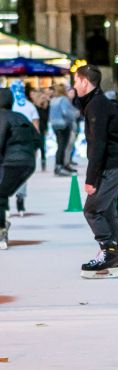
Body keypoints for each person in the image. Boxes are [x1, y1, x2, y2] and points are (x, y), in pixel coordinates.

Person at [74, 65, 118, 279]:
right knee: (107, 210)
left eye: (75, 81)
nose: (73, 86)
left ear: (84, 82)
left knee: (92, 209)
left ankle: (108, 251)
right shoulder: (96, 103)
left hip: (112, 165)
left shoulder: (96, 105)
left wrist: (91, 179)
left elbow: (98, 144)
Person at [0, 88, 40, 250]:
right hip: (27, 163)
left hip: (11, 162)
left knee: (0, 194)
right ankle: (3, 224)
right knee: (2, 193)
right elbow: (38, 140)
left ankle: (2, 228)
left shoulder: (2, 117)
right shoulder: (21, 117)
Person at [9, 81, 39, 217]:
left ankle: (5, 201)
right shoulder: (30, 106)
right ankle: (20, 198)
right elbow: (36, 128)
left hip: (8, 143)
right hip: (26, 143)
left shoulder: (8, 106)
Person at [49, 84, 80, 176]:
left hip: (55, 125)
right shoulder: (63, 99)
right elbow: (66, 112)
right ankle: (61, 166)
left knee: (60, 145)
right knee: (63, 146)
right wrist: (75, 114)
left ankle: (60, 165)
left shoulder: (53, 100)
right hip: (64, 125)